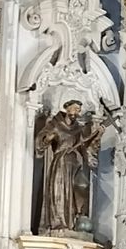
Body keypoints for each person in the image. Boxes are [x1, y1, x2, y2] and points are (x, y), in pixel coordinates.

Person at [35, 100, 105, 233]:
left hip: (74, 164)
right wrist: (48, 138)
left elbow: (87, 147)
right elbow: (40, 143)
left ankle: (73, 221)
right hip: (60, 163)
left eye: (78, 110)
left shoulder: (79, 129)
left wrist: (98, 134)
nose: (76, 112)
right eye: (74, 109)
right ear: (67, 109)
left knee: (81, 187)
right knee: (59, 192)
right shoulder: (55, 124)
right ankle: (57, 224)